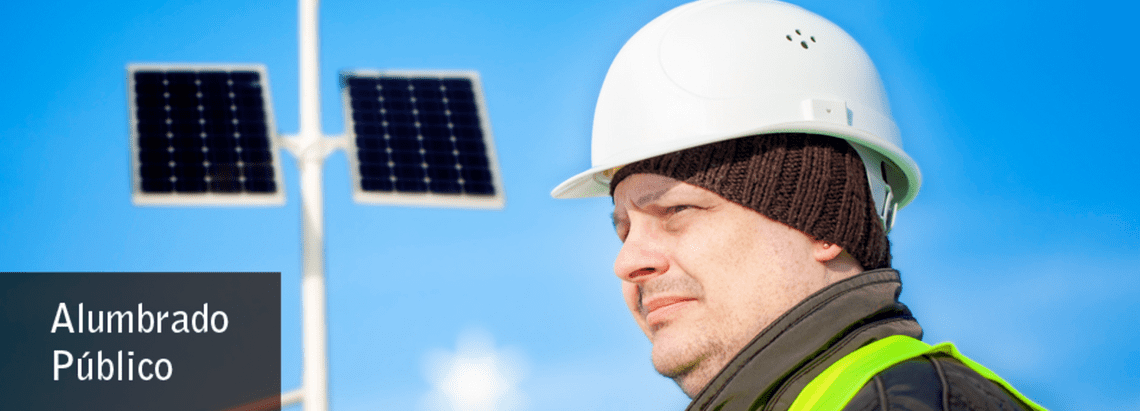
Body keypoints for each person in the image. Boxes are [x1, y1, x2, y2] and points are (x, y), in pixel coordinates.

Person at [550, 1, 1048, 410]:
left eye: (676, 212)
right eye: (623, 229)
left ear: (822, 224)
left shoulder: (907, 403)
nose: (628, 261)